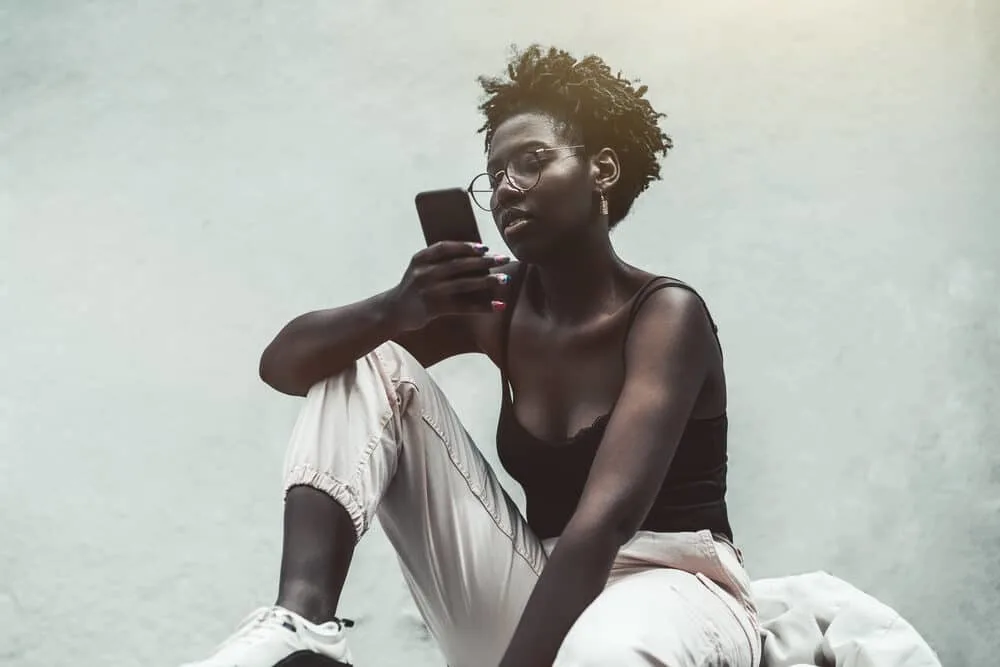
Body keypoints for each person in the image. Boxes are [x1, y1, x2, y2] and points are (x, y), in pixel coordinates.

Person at [181, 44, 761, 667]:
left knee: (601, 653)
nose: (508, 186)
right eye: (496, 173)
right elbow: (285, 366)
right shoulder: (498, 307)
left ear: (604, 170)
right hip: (542, 587)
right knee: (368, 359)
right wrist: (394, 309)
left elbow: (607, 523)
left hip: (673, 584)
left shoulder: (667, 315)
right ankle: (303, 620)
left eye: (533, 162)